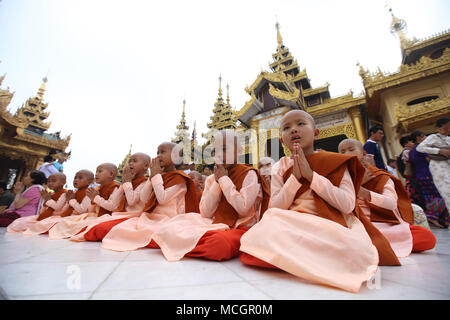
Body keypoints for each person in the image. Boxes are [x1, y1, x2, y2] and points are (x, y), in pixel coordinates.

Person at [239, 110, 397, 293]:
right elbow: (274, 207)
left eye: (300, 124)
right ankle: (312, 256)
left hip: (329, 223)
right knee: (268, 222)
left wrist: (311, 176)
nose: (293, 130)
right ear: (282, 140)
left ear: (315, 133)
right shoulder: (280, 166)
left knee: (355, 249)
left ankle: (295, 257)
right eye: (287, 128)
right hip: (293, 222)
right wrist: (295, 179)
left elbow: (347, 204)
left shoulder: (336, 162)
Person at [150, 130, 269, 262]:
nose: (219, 154)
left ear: (239, 151)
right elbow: (206, 213)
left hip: (239, 227)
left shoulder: (249, 174)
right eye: (215, 151)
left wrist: (224, 180)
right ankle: (186, 242)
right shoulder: (212, 179)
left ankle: (184, 243)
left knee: (219, 244)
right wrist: (218, 182)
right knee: (173, 225)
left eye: (224, 149)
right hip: (214, 223)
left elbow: (243, 209)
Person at [93, 142, 198, 252]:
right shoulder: (158, 176)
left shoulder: (179, 178)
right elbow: (144, 198)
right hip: (151, 218)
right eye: (157, 152)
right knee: (112, 229)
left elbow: (162, 199)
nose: (158, 155)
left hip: (169, 218)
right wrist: (151, 178)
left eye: (163, 152)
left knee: (128, 233)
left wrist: (156, 176)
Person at [338, 138, 436, 256]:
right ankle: (371, 246)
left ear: (363, 153)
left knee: (427, 237)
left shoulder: (379, 176)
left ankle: (369, 247)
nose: (347, 154)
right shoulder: (339, 177)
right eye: (342, 152)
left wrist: (364, 192)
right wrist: (355, 185)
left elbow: (391, 204)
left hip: (382, 223)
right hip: (355, 224)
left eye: (351, 149)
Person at [64, 153, 151, 241]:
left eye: (134, 161)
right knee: (90, 227)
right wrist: (124, 183)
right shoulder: (122, 184)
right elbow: (114, 204)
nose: (130, 163)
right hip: (117, 215)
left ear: (146, 166)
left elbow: (131, 201)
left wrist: (96, 198)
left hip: (133, 217)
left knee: (98, 229)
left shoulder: (145, 183)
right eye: (129, 161)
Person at [409, 130, 448, 228]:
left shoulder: (412, 151)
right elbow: (429, 159)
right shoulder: (422, 149)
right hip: (429, 175)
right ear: (418, 138)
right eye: (424, 136)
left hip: (420, 176)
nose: (426, 138)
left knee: (429, 197)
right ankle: (433, 216)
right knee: (440, 195)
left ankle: (439, 218)